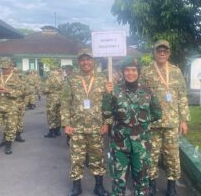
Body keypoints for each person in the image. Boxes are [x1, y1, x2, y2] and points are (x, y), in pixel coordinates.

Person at [102, 58, 162, 196]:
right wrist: (107, 94)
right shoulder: (114, 90)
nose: (130, 73)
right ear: (123, 72)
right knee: (118, 182)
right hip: (119, 146)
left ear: (138, 72)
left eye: (133, 70)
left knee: (141, 182)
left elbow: (157, 113)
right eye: (127, 70)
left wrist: (142, 122)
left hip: (141, 146)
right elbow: (106, 114)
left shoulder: (147, 92)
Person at [140, 40, 190, 196]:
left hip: (171, 123)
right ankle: (152, 185)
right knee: (151, 156)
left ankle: (171, 187)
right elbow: (141, 96)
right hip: (152, 123)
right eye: (159, 51)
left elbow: (182, 96)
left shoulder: (176, 71)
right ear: (154, 52)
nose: (162, 53)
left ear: (168, 53)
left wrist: (184, 120)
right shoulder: (146, 71)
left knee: (172, 157)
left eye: (165, 51)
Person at [61, 49, 109, 196]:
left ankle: (99, 186)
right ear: (78, 62)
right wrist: (66, 123)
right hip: (77, 127)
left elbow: (108, 104)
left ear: (93, 61)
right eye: (82, 60)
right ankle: (77, 186)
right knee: (77, 158)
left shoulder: (102, 79)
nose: (85, 62)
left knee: (98, 158)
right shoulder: (72, 79)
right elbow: (65, 102)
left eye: (88, 59)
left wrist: (107, 122)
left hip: (96, 127)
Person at [0, 58, 22, 154]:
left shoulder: (16, 77)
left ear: (11, 67)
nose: (4, 70)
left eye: (6, 68)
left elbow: (21, 92)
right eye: (2, 68)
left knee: (10, 127)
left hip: (11, 107)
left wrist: (8, 91)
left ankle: (8, 145)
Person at [43, 67, 63, 138]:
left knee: (51, 114)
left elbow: (46, 90)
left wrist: (44, 91)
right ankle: (58, 131)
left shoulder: (50, 78)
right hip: (60, 98)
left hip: (52, 99)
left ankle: (52, 132)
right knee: (58, 114)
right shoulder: (62, 78)